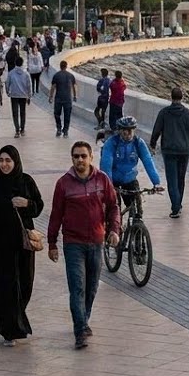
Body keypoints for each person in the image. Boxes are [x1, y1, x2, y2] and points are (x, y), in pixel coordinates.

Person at [47, 141, 119, 350]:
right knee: (77, 287)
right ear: (72, 159)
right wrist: (52, 243)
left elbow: (113, 206)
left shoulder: (102, 180)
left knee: (92, 287)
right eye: (76, 156)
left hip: (96, 242)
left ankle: (84, 319)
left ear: (90, 158)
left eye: (83, 156)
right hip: (73, 244)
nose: (80, 160)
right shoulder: (63, 184)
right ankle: (79, 331)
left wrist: (114, 229)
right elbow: (56, 215)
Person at [0, 145, 44, 346]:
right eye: (1, 160)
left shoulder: (26, 182)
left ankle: (17, 320)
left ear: (16, 161)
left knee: (25, 284)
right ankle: (9, 330)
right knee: (3, 289)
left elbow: (39, 206)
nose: (4, 164)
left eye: (8, 160)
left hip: (22, 245)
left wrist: (26, 204)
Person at [150, 87, 189, 219]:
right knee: (180, 179)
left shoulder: (164, 113)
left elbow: (156, 130)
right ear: (182, 97)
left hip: (169, 150)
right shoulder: (188, 113)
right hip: (184, 150)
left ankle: (175, 207)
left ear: (171, 97)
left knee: (172, 179)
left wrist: (153, 144)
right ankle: (178, 204)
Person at [100, 116, 163, 207]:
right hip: (113, 180)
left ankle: (137, 218)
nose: (128, 133)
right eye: (125, 130)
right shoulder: (111, 143)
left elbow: (148, 161)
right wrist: (108, 184)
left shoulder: (138, 143)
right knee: (113, 209)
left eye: (131, 130)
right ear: (119, 130)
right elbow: (106, 165)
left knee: (137, 209)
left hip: (130, 179)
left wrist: (156, 183)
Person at [48, 60, 78, 138]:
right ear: (66, 66)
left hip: (58, 98)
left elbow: (53, 87)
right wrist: (75, 96)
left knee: (57, 114)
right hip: (68, 99)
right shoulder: (71, 76)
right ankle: (65, 131)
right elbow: (74, 87)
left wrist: (50, 97)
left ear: (60, 66)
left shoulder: (56, 75)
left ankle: (59, 128)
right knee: (67, 116)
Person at [4, 62, 32, 138]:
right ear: (22, 63)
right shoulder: (26, 74)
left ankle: (17, 130)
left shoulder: (11, 73)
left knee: (15, 113)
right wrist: (29, 96)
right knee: (23, 112)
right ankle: (22, 129)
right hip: (23, 95)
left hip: (14, 95)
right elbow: (29, 85)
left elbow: (7, 83)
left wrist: (7, 92)